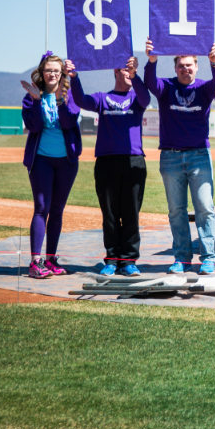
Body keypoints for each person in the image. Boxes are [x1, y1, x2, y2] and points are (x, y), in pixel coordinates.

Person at [144, 38, 215, 274]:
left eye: (189, 65)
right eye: (181, 66)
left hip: (199, 155)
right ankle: (182, 258)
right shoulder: (166, 87)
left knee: (205, 208)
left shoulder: (203, 88)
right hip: (170, 157)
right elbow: (150, 82)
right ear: (175, 68)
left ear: (196, 66)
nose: (185, 69)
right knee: (176, 210)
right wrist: (152, 60)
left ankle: (208, 258)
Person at [69, 56, 150, 276]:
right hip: (106, 161)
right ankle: (112, 260)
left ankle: (129, 261)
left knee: (131, 213)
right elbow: (81, 100)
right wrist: (74, 78)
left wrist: (135, 75)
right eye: (125, 70)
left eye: (132, 70)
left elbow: (146, 97)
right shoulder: (103, 98)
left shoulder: (137, 97)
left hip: (134, 161)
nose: (129, 73)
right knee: (111, 214)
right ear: (116, 71)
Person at [20, 52, 82, 279]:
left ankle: (51, 258)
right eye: (48, 70)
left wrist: (60, 100)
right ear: (42, 73)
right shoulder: (31, 96)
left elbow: (68, 121)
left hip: (66, 162)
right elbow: (34, 126)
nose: (52, 73)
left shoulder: (71, 95)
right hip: (41, 160)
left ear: (62, 73)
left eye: (56, 70)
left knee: (56, 210)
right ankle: (35, 262)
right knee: (41, 207)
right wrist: (37, 100)